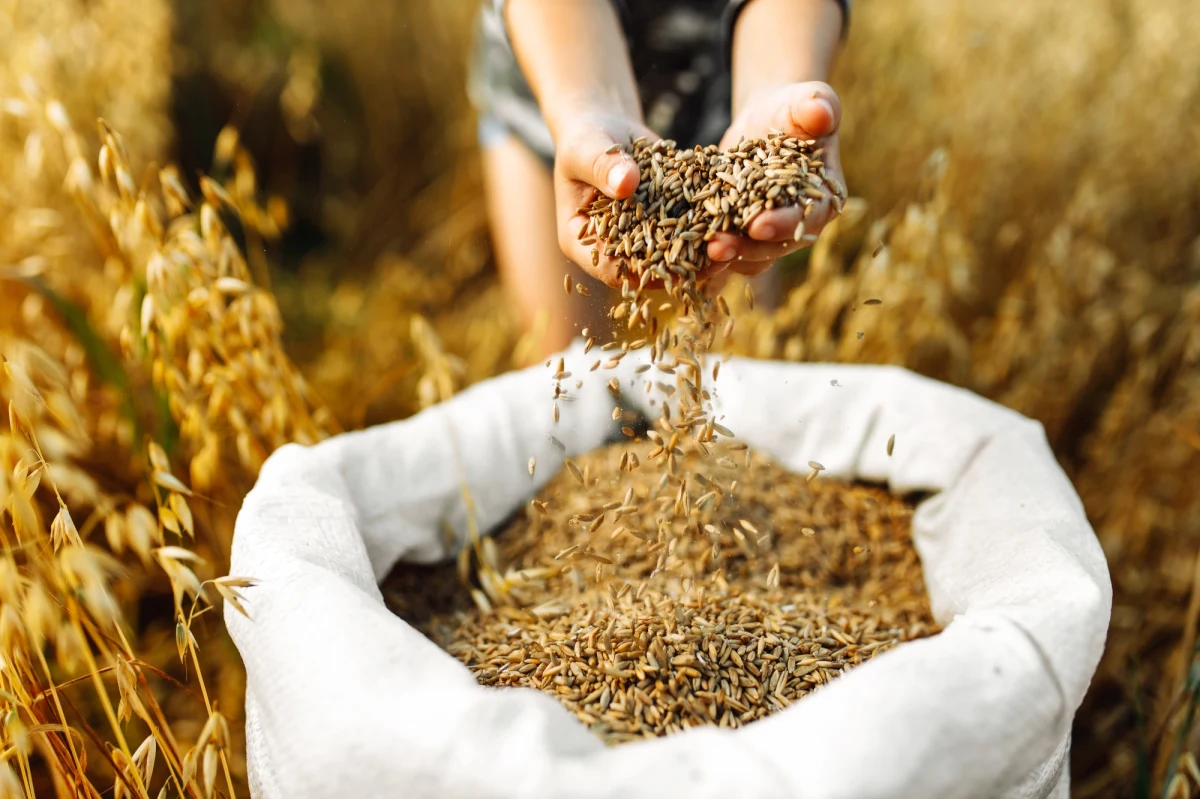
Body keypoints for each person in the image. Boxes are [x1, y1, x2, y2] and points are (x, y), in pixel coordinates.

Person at [470, 0, 848, 360]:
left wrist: (778, 85)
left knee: (744, 354)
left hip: (730, 114)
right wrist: (589, 103)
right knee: (561, 365)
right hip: (554, 88)